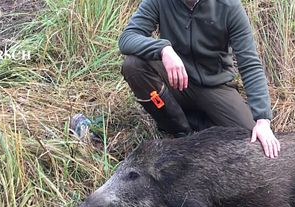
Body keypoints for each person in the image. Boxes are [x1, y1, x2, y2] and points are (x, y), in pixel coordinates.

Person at [119, 0, 280, 158]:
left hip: (216, 87)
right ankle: (180, 131)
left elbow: (250, 64)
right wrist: (163, 49)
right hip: (176, 81)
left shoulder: (229, 6)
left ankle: (199, 122)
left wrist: (262, 119)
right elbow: (127, 38)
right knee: (134, 66)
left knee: (250, 143)